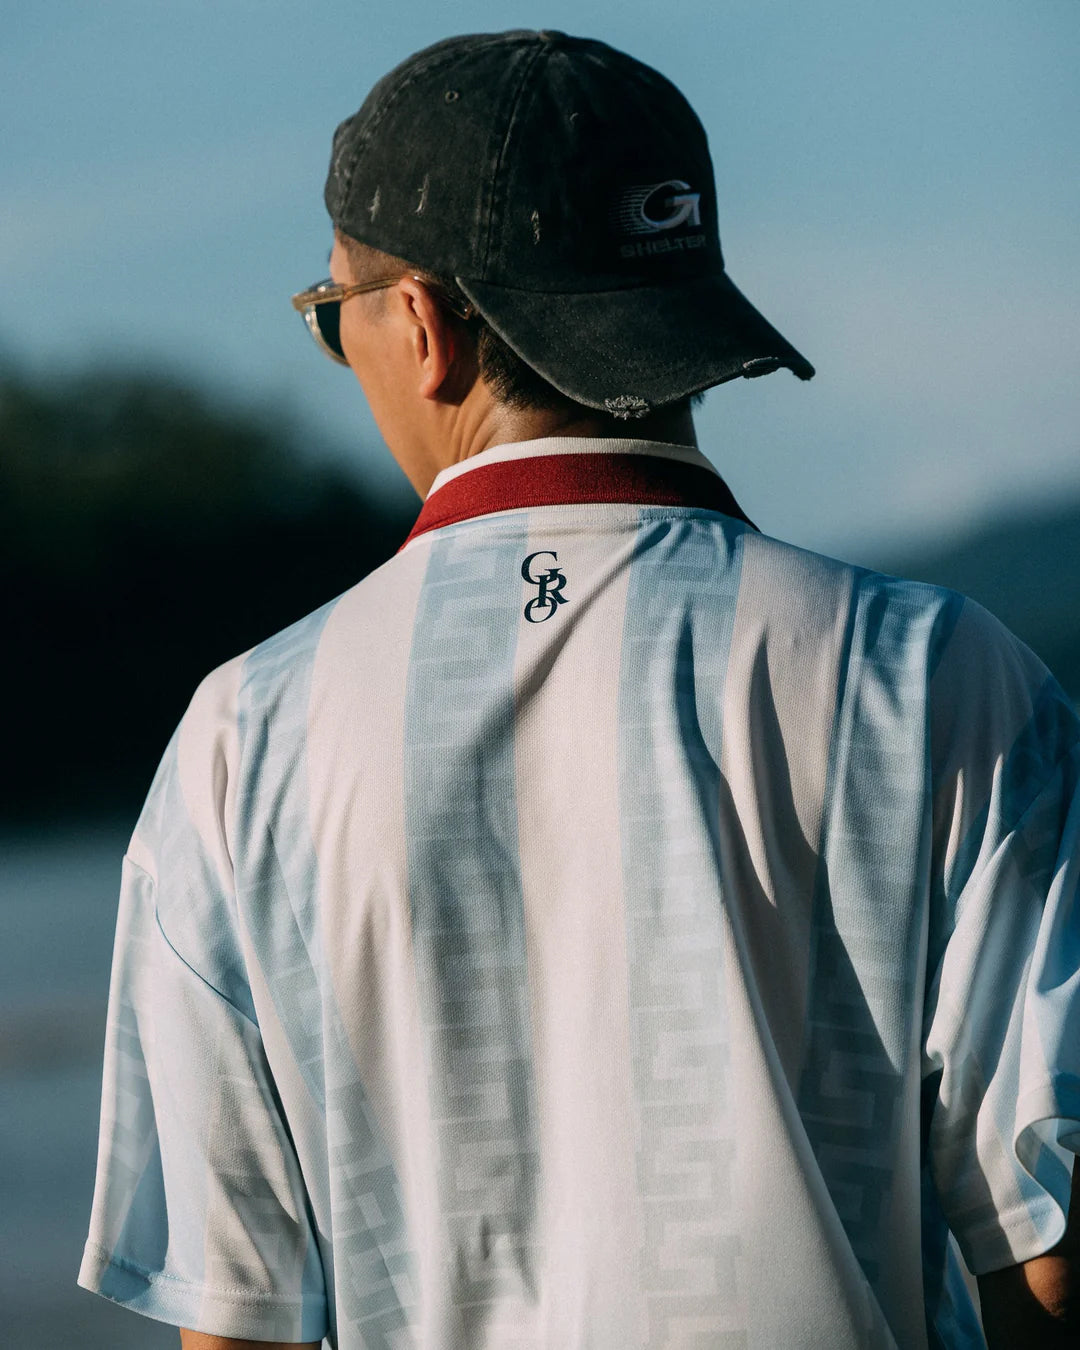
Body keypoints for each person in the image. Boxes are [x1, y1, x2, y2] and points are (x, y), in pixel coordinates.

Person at [77, 29, 1079, 1350]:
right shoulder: (937, 672)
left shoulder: (243, 738)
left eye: (335, 320)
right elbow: (1048, 1249)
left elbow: (238, 1318)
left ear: (423, 328)